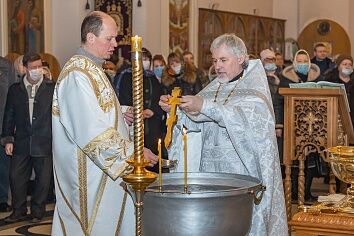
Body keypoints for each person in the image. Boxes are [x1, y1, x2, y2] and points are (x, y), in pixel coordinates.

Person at [159, 33, 287, 235]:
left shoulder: (255, 92)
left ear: (241, 58)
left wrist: (204, 106)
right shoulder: (212, 89)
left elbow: (242, 121)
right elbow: (195, 127)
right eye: (215, 60)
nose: (217, 66)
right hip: (210, 174)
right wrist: (176, 111)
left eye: (223, 60)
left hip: (241, 177)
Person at [51, 11, 157, 236]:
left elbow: (99, 112)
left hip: (101, 173)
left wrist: (124, 113)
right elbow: (90, 130)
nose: (115, 44)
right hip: (88, 178)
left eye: (115, 38)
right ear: (90, 37)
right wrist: (133, 152)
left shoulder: (93, 70)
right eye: (109, 38)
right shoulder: (77, 74)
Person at [1, 52, 54, 223]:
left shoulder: (51, 88)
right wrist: (8, 138)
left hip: (44, 141)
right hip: (21, 141)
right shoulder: (15, 90)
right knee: (16, 177)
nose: (37, 70)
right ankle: (19, 210)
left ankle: (38, 210)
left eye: (39, 66)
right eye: (33, 68)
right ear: (24, 69)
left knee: (43, 180)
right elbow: (8, 115)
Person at [279, 49, 321, 201]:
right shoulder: (285, 79)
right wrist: (280, 125)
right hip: (292, 123)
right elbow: (280, 102)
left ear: (309, 63)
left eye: (305, 61)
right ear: (295, 63)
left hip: (313, 124)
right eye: (300, 61)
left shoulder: (316, 78)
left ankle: (307, 192)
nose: (302, 64)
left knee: (309, 159)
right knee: (294, 160)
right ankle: (295, 193)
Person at [118, 48, 166, 173]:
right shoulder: (126, 75)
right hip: (134, 123)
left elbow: (158, 95)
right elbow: (123, 97)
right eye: (142, 59)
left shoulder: (152, 77)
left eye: (146, 59)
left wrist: (153, 110)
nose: (144, 62)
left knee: (154, 159)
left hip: (152, 125)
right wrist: (137, 111)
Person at [0, 56, 16, 213]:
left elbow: (12, 97)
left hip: (2, 123)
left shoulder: (6, 66)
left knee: (4, 166)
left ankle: (3, 199)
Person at [324, 55, 354, 127]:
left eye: (350, 64)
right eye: (344, 64)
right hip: (336, 117)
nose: (347, 66)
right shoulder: (330, 81)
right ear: (338, 66)